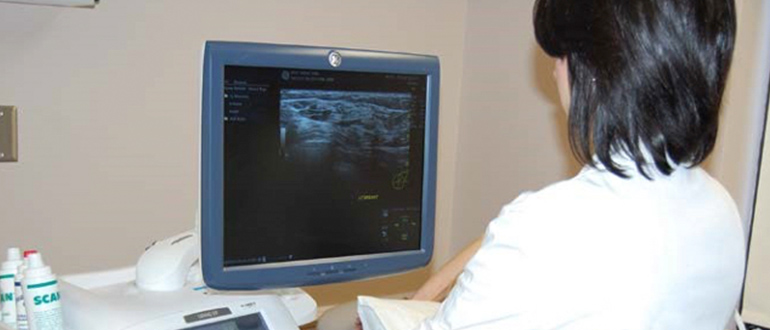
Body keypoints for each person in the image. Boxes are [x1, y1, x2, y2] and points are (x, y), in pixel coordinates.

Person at [410, 0, 746, 329]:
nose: (555, 70)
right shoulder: (721, 212)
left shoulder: (545, 230)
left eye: (562, 54)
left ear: (599, 70)